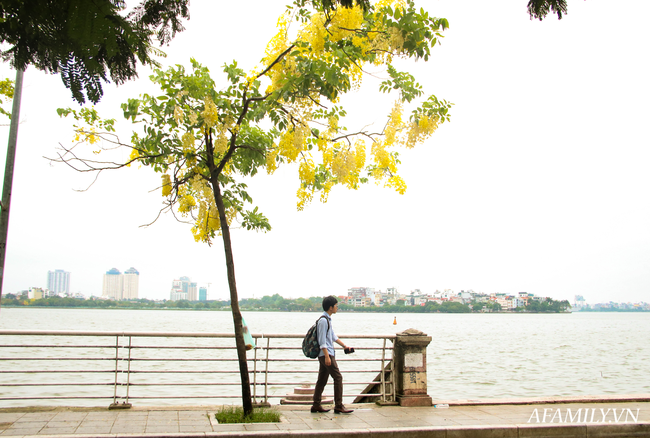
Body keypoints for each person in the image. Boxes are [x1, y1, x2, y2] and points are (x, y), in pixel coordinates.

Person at [311, 295, 354, 414]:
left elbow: (333, 336)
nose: (337, 307)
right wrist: (327, 356)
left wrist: (344, 346)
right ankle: (339, 405)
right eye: (336, 305)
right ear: (330, 307)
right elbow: (322, 341)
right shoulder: (323, 321)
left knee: (322, 380)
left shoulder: (328, 319)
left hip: (327, 354)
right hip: (326, 354)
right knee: (338, 377)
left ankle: (316, 404)